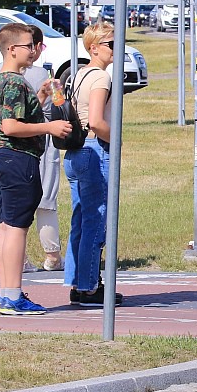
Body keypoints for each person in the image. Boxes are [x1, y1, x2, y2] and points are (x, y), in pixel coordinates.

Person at [0, 23, 71, 315]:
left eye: (35, 45)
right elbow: (10, 126)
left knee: (7, 226)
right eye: (28, 45)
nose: (33, 50)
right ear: (12, 49)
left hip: (3, 157)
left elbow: (14, 117)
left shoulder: (5, 78)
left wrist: (42, 98)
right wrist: (50, 126)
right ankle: (11, 296)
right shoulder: (13, 81)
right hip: (16, 158)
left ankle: (6, 293)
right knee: (17, 229)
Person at [63, 21, 122, 307]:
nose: (116, 48)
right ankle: (88, 288)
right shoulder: (100, 77)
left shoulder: (79, 74)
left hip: (75, 152)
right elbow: (97, 121)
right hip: (93, 150)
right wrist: (118, 139)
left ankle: (77, 283)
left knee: (81, 220)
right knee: (96, 222)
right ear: (94, 47)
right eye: (111, 44)